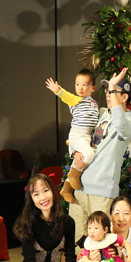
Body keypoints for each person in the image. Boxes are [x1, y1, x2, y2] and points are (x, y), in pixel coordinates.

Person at [69, 68, 131, 242]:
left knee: (100, 245)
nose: (108, 95)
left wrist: (114, 91)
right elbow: (79, 131)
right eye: (108, 91)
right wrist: (74, 152)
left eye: (113, 91)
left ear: (124, 97)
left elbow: (121, 126)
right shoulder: (101, 113)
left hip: (102, 193)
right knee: (77, 242)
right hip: (80, 188)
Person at [45, 69, 98, 203]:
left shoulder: (94, 103)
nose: (80, 88)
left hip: (87, 136)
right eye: (77, 84)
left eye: (84, 85)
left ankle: (66, 190)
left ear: (93, 88)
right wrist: (58, 90)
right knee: (89, 155)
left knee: (79, 160)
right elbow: (66, 96)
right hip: (78, 134)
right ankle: (74, 175)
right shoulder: (76, 100)